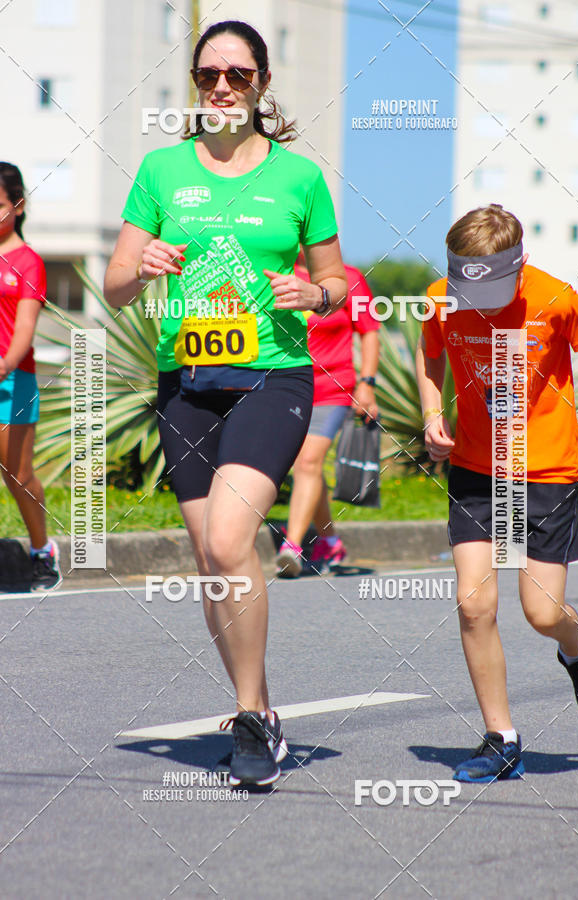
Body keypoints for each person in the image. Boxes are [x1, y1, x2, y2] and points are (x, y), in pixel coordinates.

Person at [104, 20, 347, 786]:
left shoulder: (299, 177)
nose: (221, 86)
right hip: (186, 383)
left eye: (237, 74)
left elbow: (337, 281)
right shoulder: (161, 169)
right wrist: (142, 264)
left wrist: (313, 294)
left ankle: (248, 717)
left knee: (231, 534)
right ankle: (261, 715)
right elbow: (114, 285)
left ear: (261, 84)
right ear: (195, 84)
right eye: (208, 74)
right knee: (213, 559)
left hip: (273, 377)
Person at [416, 203, 578, 783]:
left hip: (544, 472)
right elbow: (430, 351)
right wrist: (431, 414)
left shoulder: (555, 298)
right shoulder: (440, 299)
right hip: (477, 469)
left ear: (519, 266)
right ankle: (502, 739)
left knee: (542, 613)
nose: (480, 303)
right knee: (474, 604)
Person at [276, 258, 379, 577]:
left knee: (307, 462)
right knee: (307, 466)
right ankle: (330, 541)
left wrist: (367, 383)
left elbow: (370, 332)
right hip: (285, 386)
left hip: (333, 388)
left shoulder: (349, 278)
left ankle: (292, 546)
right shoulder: (277, 273)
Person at [0, 162, 62, 592]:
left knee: (17, 474)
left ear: (18, 206)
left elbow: (24, 329)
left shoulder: (29, 262)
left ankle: (42, 550)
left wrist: (4, 365)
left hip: (13, 382)